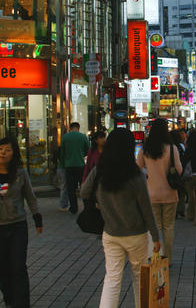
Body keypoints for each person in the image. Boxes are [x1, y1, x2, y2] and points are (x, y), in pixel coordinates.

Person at [81, 128, 161, 308]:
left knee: (112, 279)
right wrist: (156, 237)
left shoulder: (100, 171)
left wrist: (101, 203)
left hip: (110, 233)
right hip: (136, 234)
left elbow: (85, 191)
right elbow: (146, 209)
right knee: (139, 277)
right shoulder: (136, 174)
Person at [0, 136, 42, 308]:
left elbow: (30, 197)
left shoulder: (20, 173)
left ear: (14, 153)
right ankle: (9, 300)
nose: (3, 153)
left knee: (18, 267)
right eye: (0, 149)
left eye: (8, 150)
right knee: (3, 268)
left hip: (18, 225)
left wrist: (37, 217)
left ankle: (22, 303)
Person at [136, 118, 182, 262]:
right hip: (169, 193)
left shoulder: (145, 148)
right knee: (168, 227)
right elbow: (179, 170)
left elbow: (137, 168)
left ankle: (155, 257)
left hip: (151, 193)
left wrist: (149, 173)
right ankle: (167, 259)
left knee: (154, 227)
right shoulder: (172, 148)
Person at [61, 122, 90, 214]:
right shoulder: (83, 137)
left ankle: (73, 208)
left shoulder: (65, 137)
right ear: (78, 128)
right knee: (83, 186)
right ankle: (86, 206)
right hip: (80, 165)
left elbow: (62, 152)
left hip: (69, 165)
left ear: (70, 128)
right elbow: (87, 150)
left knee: (71, 188)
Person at [170, 129, 188, 218]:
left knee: (174, 190)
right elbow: (184, 158)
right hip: (181, 171)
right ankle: (181, 210)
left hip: (170, 172)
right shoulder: (181, 146)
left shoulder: (168, 147)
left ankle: (175, 211)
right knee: (181, 191)